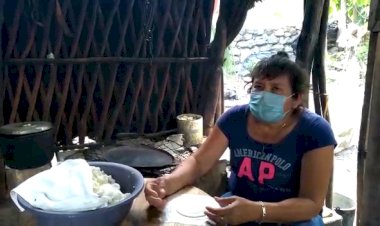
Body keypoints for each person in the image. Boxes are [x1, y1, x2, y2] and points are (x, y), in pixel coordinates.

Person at [144, 51, 336, 226]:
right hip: (237, 205)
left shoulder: (315, 132)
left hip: (292, 217)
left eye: (275, 89)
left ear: (296, 99)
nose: (264, 95)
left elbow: (311, 203)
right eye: (259, 87)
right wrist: (169, 182)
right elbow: (199, 161)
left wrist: (258, 211)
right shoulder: (235, 119)